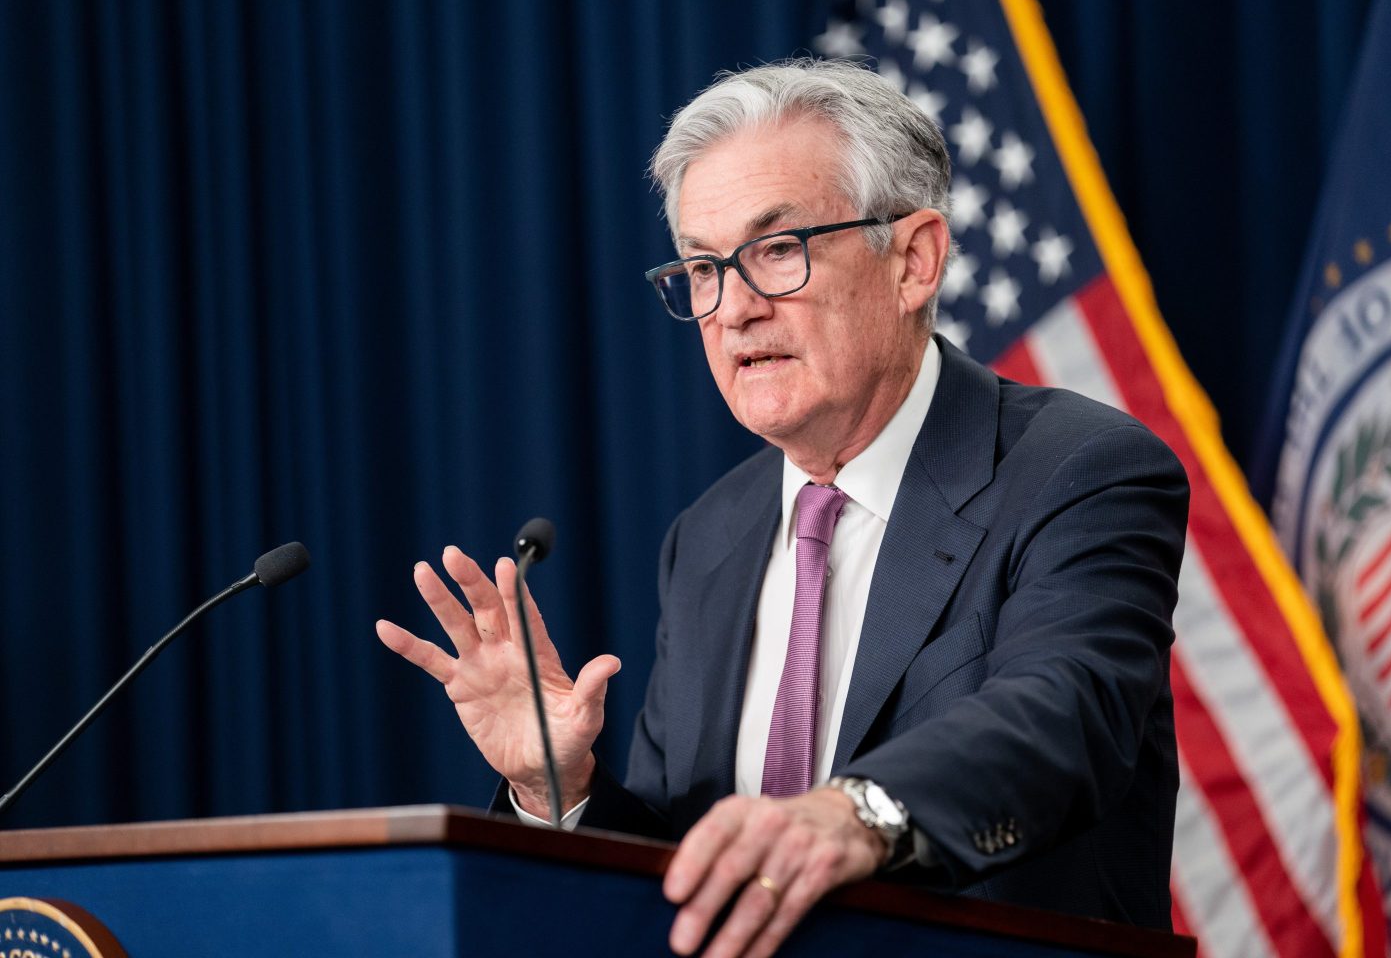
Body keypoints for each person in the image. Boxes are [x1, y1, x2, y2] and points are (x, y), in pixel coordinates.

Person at [376, 58, 1188, 958]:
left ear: (914, 260)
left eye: (776, 250)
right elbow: (685, 870)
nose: (733, 309)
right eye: (702, 267)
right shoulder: (710, 538)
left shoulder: (1079, 470)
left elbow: (1064, 715)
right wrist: (558, 786)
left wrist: (855, 814)